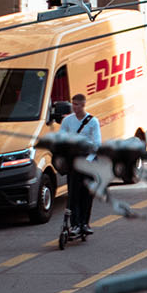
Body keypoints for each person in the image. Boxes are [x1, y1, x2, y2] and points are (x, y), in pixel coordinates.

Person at [60, 93, 103, 239]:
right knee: (73, 194)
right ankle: (75, 224)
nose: (74, 107)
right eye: (73, 104)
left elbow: (97, 143)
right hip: (74, 159)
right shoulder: (67, 121)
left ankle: (85, 223)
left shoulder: (92, 121)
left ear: (83, 105)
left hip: (89, 160)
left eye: (77, 105)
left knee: (86, 194)